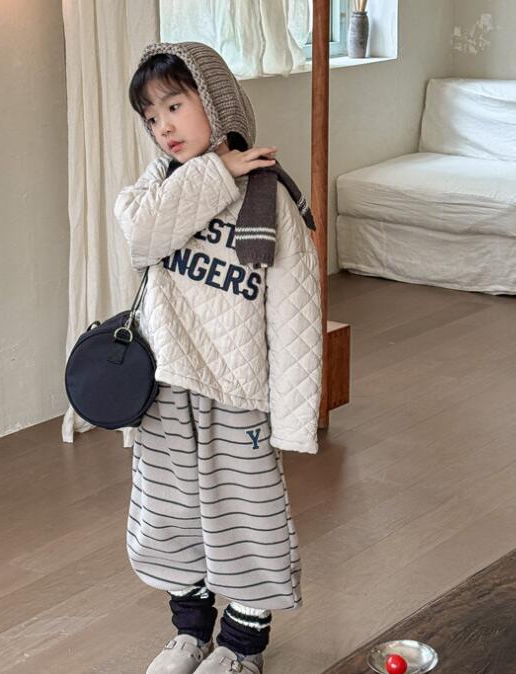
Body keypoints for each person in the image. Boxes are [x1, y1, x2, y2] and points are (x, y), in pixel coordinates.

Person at [113, 41, 323, 674]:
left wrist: (292, 421)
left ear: (217, 101)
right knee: (170, 518)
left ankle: (240, 646)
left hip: (238, 395)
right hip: (164, 390)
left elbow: (295, 315)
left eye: (175, 105)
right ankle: (190, 634)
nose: (164, 126)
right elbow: (142, 236)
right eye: (151, 116)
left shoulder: (269, 198)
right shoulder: (156, 190)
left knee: (249, 521)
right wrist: (214, 172)